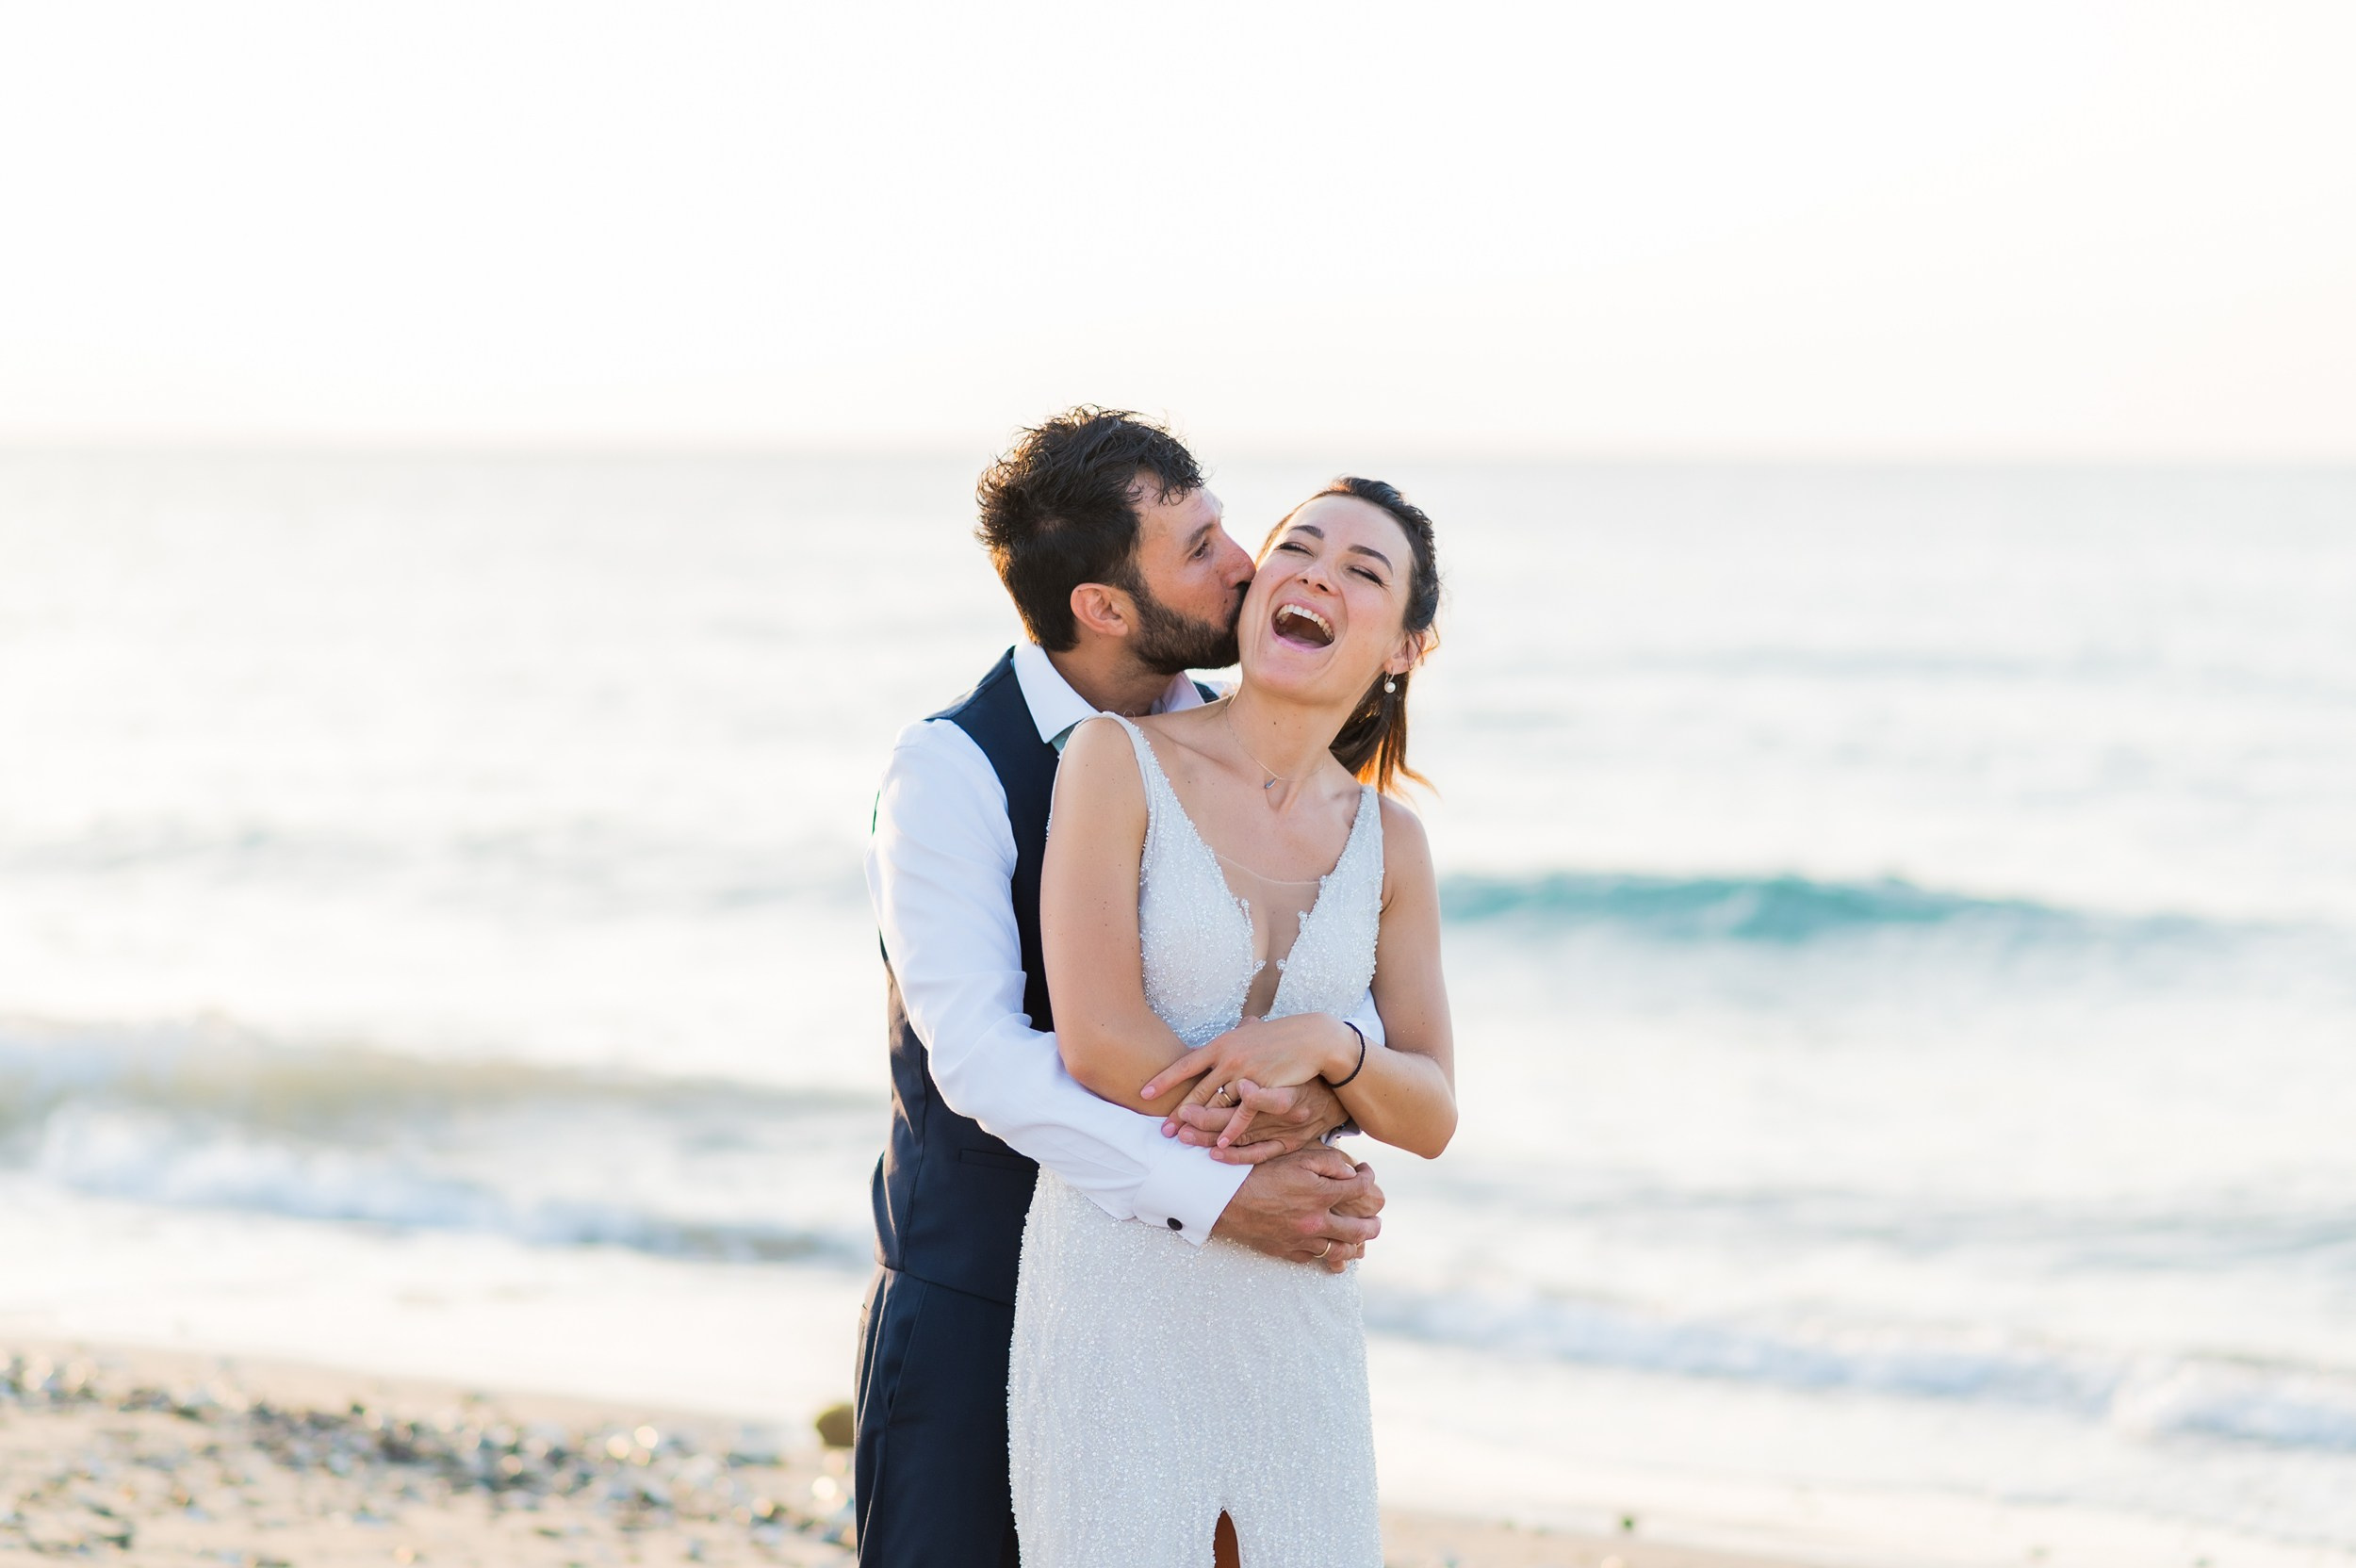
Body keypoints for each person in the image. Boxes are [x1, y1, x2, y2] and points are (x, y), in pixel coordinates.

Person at [858, 409, 1390, 1565]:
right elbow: (986, 1061)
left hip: (1197, 1313)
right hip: (982, 1305)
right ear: (1101, 606)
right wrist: (1217, 1188)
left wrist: (1328, 1081)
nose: (1246, 563)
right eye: (1197, 547)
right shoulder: (951, 769)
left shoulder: (1250, 751)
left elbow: (1354, 971)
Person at [1006, 471, 1454, 1566]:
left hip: (1292, 1309)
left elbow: (1432, 1107)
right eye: (1296, 547)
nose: (1314, 574)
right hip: (1116, 1288)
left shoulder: (1390, 841)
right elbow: (1100, 1037)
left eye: (1363, 569)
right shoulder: (1117, 759)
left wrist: (1332, 1048)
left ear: (1403, 644)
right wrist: (1288, 1127)